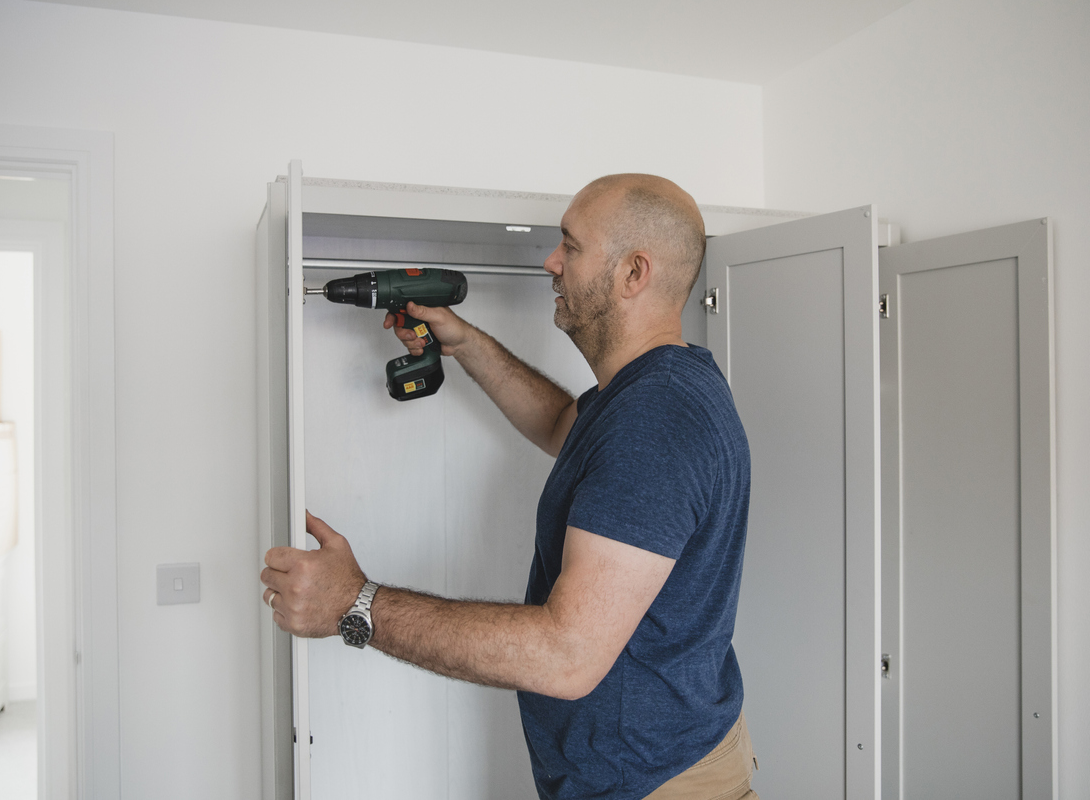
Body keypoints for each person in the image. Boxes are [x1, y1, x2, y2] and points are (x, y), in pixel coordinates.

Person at [260, 173, 756, 800]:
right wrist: (465, 342)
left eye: (570, 247)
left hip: (652, 785)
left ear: (634, 273)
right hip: (659, 764)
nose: (551, 263)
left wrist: (355, 604)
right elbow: (558, 424)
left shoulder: (653, 421)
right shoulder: (650, 392)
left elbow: (565, 655)